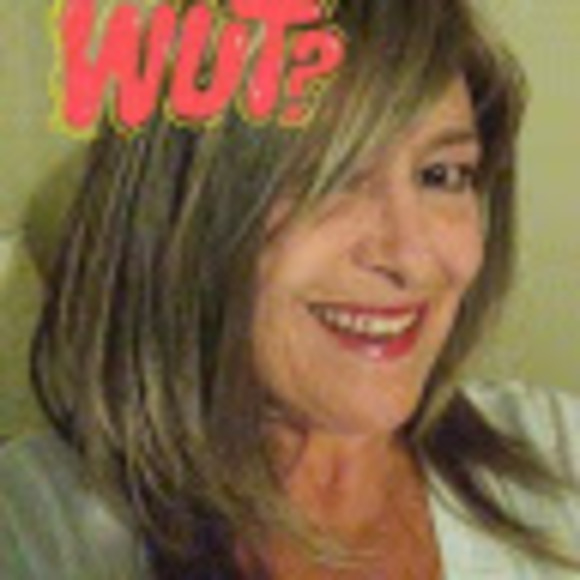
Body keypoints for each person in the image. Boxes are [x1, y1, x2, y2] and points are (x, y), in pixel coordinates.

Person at [1, 0, 579, 578]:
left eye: (441, 175)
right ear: (182, 224)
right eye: (325, 175)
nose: (411, 257)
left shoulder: (561, 454)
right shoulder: (38, 528)